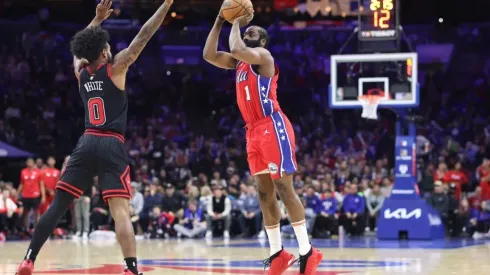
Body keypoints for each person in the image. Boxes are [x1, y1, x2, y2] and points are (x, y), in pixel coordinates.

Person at [16, 0, 174, 274]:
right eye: (108, 47)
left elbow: (78, 50)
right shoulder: (116, 68)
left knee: (56, 206)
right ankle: (131, 269)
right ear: (103, 51)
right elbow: (144, 35)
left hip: (86, 141)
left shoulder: (81, 74)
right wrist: (166, 4)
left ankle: (29, 258)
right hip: (111, 143)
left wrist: (97, 20)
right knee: (120, 211)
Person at [203, 6, 322, 274]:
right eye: (246, 30)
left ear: (263, 41)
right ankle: (278, 253)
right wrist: (220, 19)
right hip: (252, 131)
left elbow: (236, 48)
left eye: (252, 31)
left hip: (273, 124)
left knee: (283, 186)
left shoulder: (263, 56)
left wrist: (236, 21)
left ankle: (307, 250)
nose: (248, 31)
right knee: (264, 192)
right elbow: (208, 54)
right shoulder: (239, 62)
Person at [18, 158, 45, 230]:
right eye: (28, 162)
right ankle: (26, 229)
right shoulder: (23, 172)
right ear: (26, 163)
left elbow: (41, 184)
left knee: (36, 212)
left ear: (33, 163)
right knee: (25, 213)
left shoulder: (39, 172)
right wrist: (17, 193)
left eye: (31, 162)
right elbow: (21, 184)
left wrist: (43, 196)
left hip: (35, 195)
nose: (29, 163)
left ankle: (37, 229)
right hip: (25, 195)